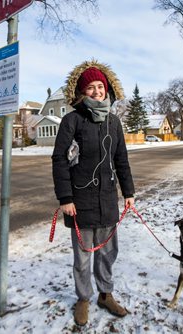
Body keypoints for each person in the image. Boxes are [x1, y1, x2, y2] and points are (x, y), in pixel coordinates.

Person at [52, 60, 135, 326]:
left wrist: (129, 192)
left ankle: (105, 294)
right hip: (81, 202)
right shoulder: (71, 121)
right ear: (81, 92)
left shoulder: (114, 122)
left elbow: (121, 159)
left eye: (101, 86)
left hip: (108, 200)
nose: (97, 91)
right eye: (91, 87)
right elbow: (59, 160)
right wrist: (65, 198)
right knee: (83, 256)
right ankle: (84, 298)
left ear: (107, 89)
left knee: (108, 253)